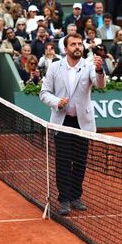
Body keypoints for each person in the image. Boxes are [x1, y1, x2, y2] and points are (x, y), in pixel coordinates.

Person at [39, 33, 105, 216]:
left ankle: (76, 196)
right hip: (62, 121)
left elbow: (99, 84)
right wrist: (56, 101)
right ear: (66, 48)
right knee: (63, 161)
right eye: (73, 44)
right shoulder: (54, 67)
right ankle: (64, 199)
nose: (77, 47)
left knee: (80, 161)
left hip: (83, 123)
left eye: (79, 44)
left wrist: (100, 70)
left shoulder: (90, 66)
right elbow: (44, 93)